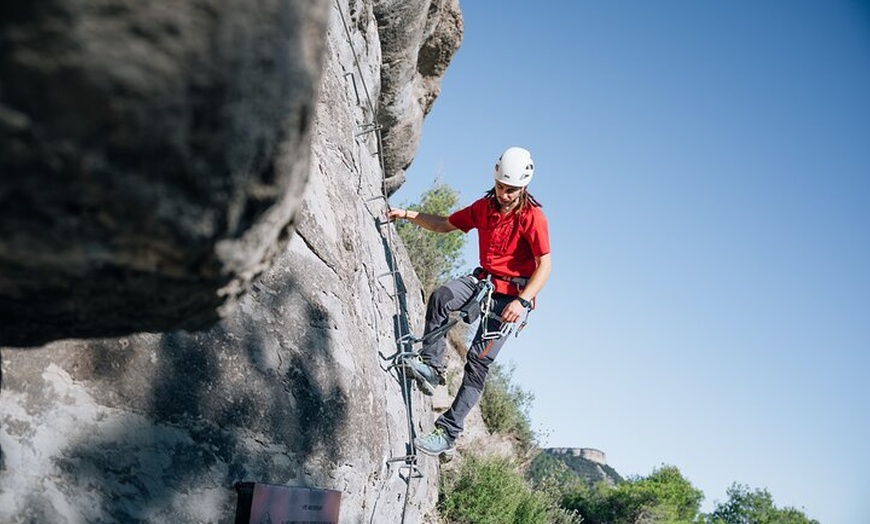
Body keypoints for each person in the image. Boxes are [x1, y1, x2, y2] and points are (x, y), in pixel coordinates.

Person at [387, 146, 552, 457]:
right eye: (502, 187)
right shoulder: (483, 208)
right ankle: (432, 366)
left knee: (477, 361)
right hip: (483, 281)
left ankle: (448, 432)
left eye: (512, 190)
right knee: (442, 297)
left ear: (524, 187)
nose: (505, 194)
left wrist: (523, 302)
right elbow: (445, 224)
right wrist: (407, 214)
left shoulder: (533, 217)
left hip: (512, 297)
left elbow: (545, 264)